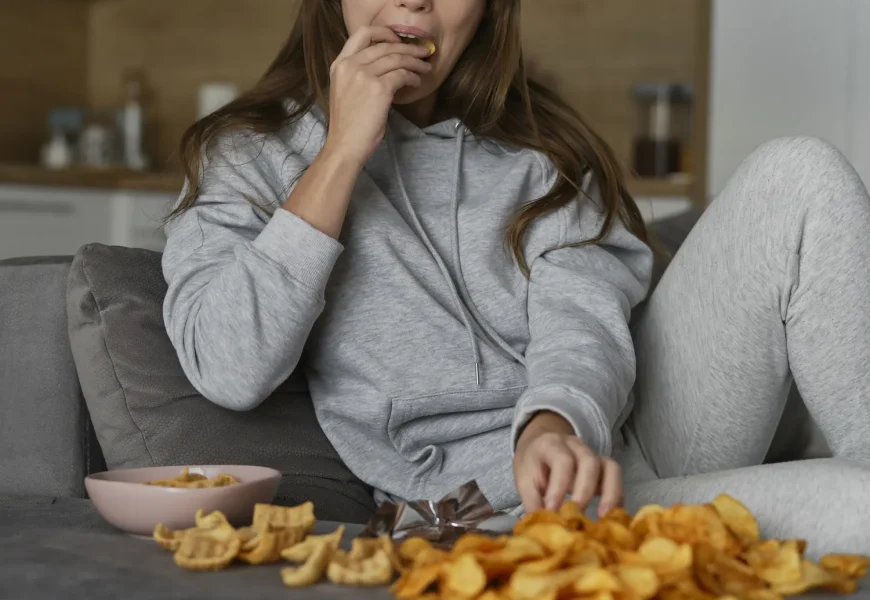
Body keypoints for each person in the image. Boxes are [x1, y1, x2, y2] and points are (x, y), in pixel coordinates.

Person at [162, 0, 870, 551]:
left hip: (633, 434)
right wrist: (341, 152)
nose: (412, 3)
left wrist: (554, 422)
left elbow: (581, 316)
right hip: (497, 513)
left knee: (797, 172)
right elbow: (229, 365)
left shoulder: (541, 148)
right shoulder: (247, 155)